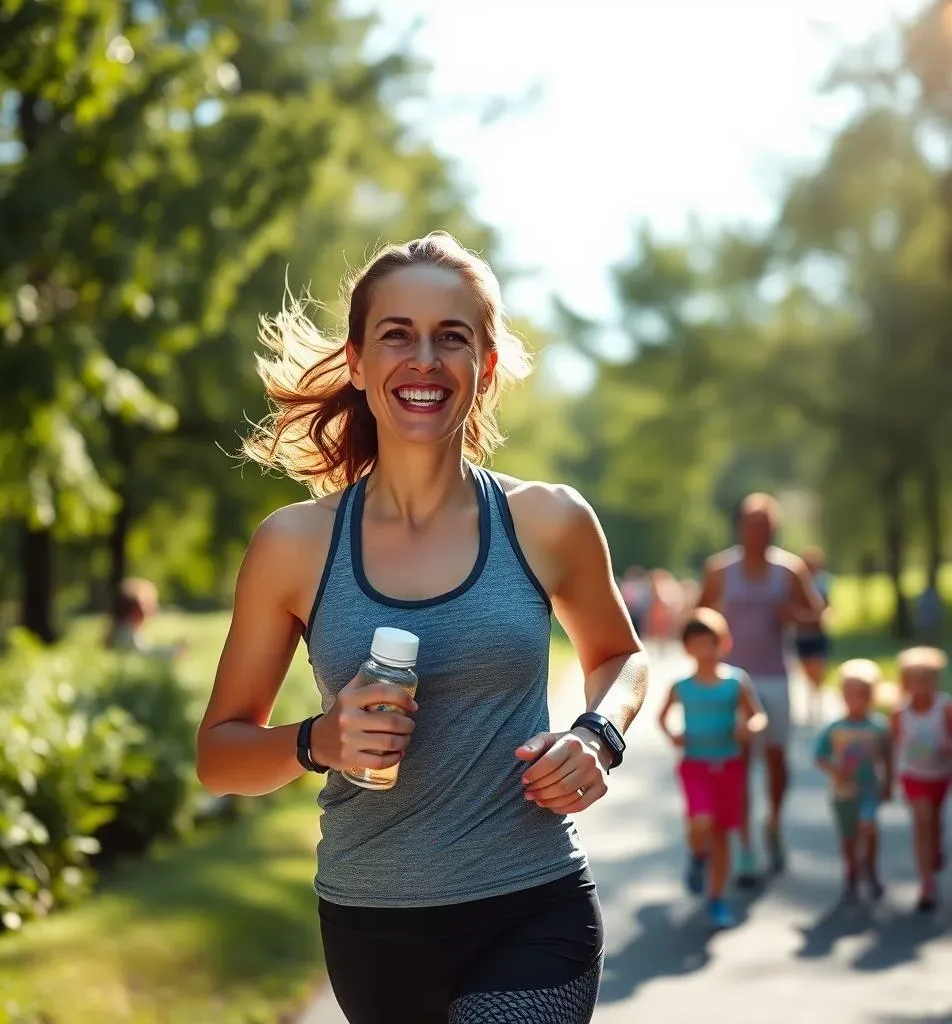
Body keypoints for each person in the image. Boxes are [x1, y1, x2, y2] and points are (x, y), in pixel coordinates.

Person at [195, 233, 649, 1024]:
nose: (425, 360)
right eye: (397, 334)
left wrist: (597, 733)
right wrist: (318, 742)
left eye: (453, 337)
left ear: (488, 366)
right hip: (372, 928)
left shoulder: (548, 520)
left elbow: (621, 658)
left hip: (532, 905)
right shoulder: (294, 545)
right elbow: (219, 755)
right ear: (359, 361)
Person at [698, 493, 824, 885]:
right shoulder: (720, 569)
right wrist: (711, 628)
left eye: (766, 526)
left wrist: (796, 615)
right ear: (741, 527)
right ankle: (747, 848)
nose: (759, 532)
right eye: (752, 525)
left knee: (776, 760)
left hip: (775, 677)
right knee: (739, 764)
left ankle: (772, 822)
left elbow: (817, 617)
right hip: (732, 681)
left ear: (775, 528)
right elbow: (696, 620)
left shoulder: (789, 570)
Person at [657, 608, 767, 928]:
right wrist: (672, 735)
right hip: (695, 765)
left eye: (710, 642)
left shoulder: (736, 681)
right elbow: (662, 717)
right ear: (687, 647)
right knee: (701, 820)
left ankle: (716, 897)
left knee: (722, 834)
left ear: (723, 643)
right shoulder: (681, 686)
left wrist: (750, 727)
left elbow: (758, 716)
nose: (704, 650)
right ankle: (696, 858)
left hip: (729, 765)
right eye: (697, 643)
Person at [813, 659, 891, 904]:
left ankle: (871, 867)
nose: (857, 700)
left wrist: (889, 783)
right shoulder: (834, 728)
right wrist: (835, 770)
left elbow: (888, 755)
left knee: (868, 825)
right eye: (851, 694)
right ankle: (852, 872)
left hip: (869, 787)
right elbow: (820, 757)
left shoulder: (879, 726)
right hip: (842, 791)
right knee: (848, 836)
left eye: (863, 694)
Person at [891, 646, 952, 912]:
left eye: (926, 679)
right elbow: (894, 746)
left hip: (939, 775)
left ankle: (936, 852)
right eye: (914, 680)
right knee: (922, 820)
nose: (920, 686)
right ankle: (926, 882)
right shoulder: (899, 713)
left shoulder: (945, 707)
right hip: (912, 775)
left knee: (934, 821)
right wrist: (889, 780)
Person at [794, 545, 832, 725]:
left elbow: (826, 606)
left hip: (817, 633)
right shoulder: (796, 582)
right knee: (806, 668)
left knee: (817, 666)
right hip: (802, 634)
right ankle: (812, 699)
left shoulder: (823, 582)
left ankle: (816, 702)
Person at [105, 577, 187, 659]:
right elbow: (145, 654)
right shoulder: (127, 634)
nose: (154, 608)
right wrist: (173, 652)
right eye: (149, 604)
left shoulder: (122, 630)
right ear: (136, 609)